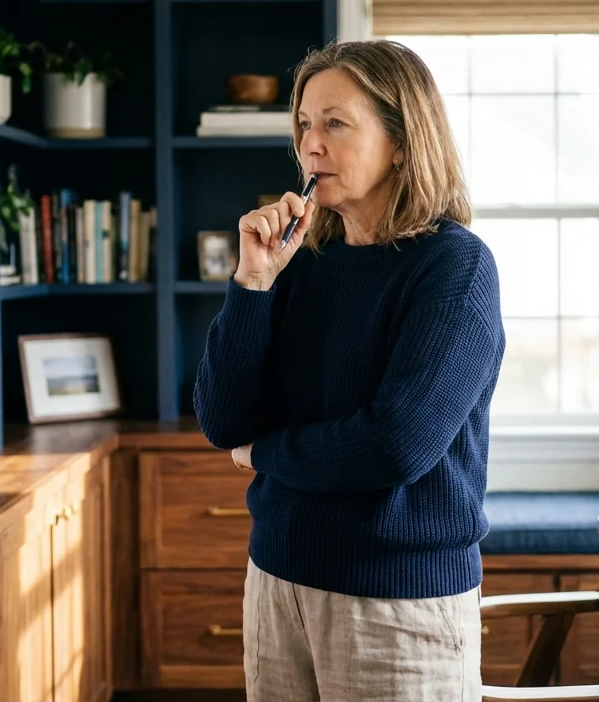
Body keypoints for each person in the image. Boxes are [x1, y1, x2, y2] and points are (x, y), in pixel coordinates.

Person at [192, 38, 505, 702]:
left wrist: (264, 453)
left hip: (398, 604)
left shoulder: (454, 268)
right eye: (304, 124)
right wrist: (251, 284)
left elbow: (396, 444)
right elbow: (223, 422)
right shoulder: (298, 261)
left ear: (401, 140)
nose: (311, 144)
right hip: (276, 581)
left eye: (336, 123)